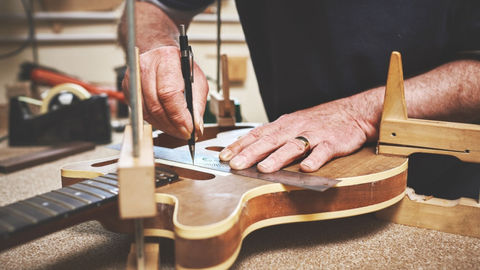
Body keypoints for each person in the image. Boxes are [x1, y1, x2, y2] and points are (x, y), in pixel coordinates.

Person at [119, 0, 480, 199]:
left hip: (449, 187)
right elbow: (152, 8)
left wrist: (358, 114)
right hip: (294, 183)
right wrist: (156, 49)